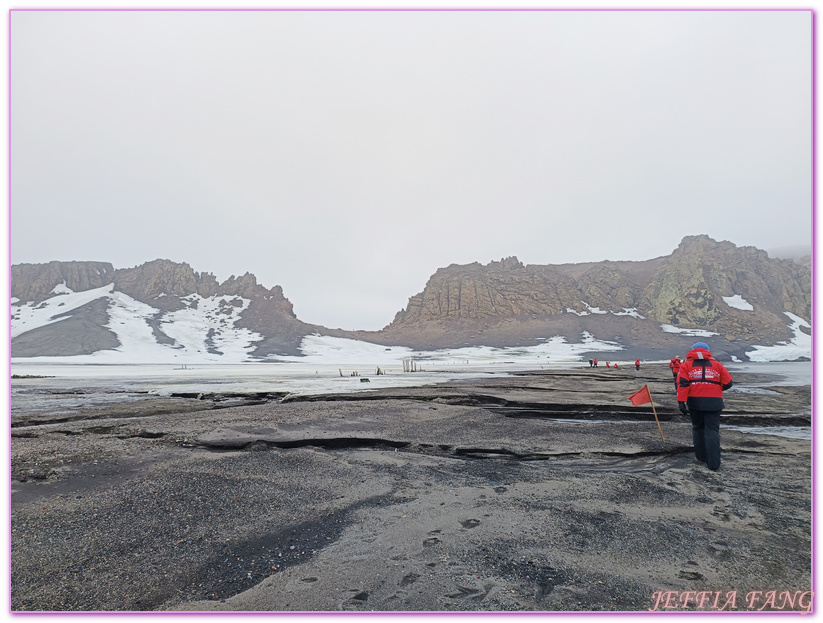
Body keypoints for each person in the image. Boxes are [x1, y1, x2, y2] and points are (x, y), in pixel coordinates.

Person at [676, 342, 733, 471]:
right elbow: (728, 383)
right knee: (712, 431)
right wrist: (715, 389)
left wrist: (681, 402)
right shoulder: (717, 365)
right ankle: (714, 464)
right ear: (708, 351)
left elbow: (683, 384)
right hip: (714, 402)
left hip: (695, 402)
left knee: (698, 428)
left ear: (692, 351)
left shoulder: (686, 365)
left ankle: (701, 457)